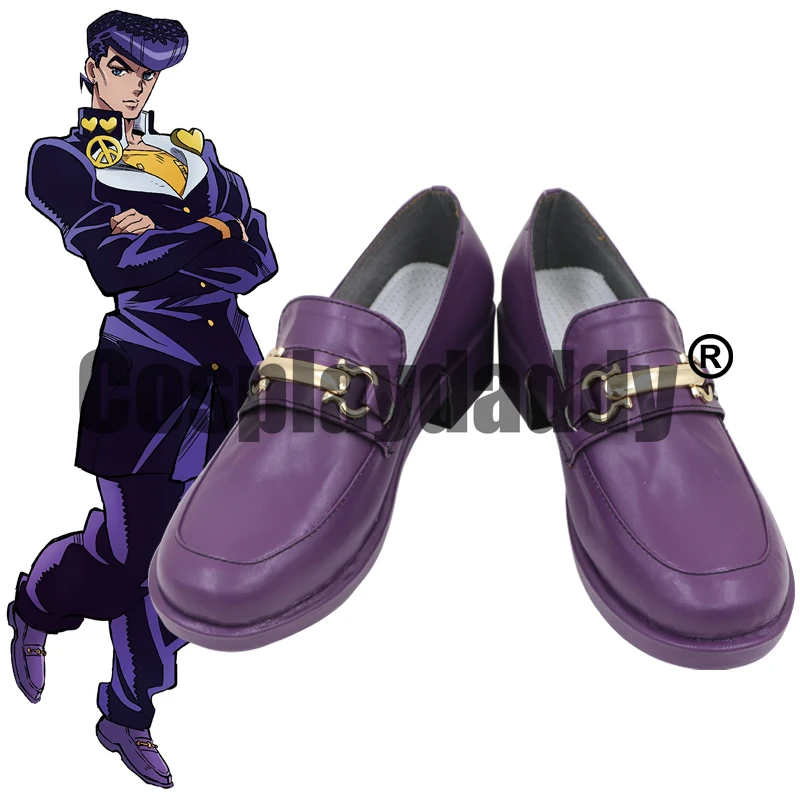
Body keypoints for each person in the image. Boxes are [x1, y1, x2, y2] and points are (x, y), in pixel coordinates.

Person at [7, 10, 278, 788]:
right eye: (124, 69)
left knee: (197, 557)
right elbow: (116, 266)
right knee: (134, 562)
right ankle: (40, 607)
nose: (138, 87)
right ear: (94, 67)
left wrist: (186, 233)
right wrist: (215, 230)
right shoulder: (61, 159)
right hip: (145, 378)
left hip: (231, 372)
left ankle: (126, 711)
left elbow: (262, 256)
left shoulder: (195, 156)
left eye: (148, 75)